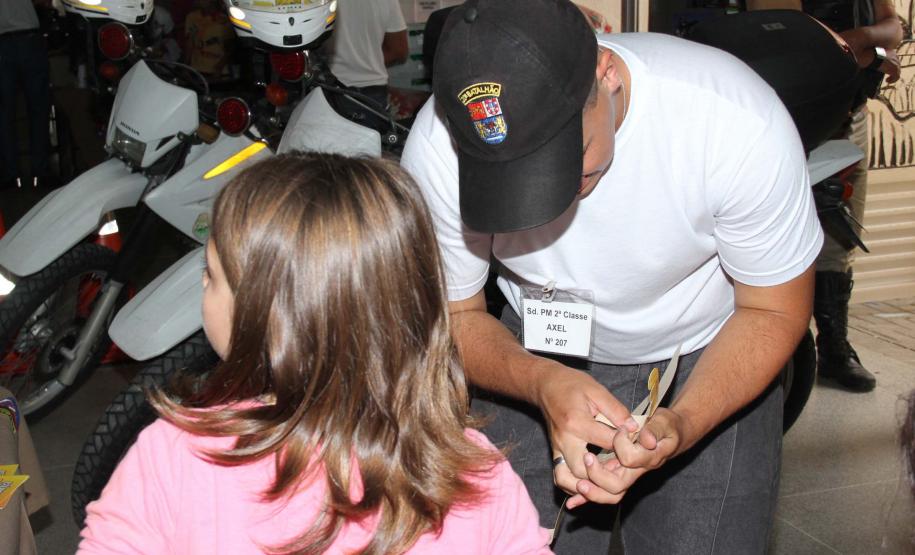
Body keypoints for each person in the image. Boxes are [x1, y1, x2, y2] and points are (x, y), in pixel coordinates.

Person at [401, 0, 822, 552]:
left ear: (608, 74)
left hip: (709, 352)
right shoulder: (438, 148)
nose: (553, 196)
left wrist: (684, 424)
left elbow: (772, 309)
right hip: (529, 353)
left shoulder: (733, 122)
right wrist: (540, 382)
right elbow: (456, 315)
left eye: (567, 160)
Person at [77, 153, 552, 554]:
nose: (203, 285)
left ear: (270, 314)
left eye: (213, 275)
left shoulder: (180, 454)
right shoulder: (470, 471)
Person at [799, 0, 903, 392]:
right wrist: (860, 49)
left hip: (849, 114)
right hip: (794, 114)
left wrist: (860, 39)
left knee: (839, 234)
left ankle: (834, 350)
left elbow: (894, 28)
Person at [325, 0, 408, 131]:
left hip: (331, 88)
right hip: (373, 92)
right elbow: (399, 50)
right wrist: (366, 61)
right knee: (370, 148)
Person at [0, 0, 51, 190]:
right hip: (29, 38)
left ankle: (11, 175)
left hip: (2, 43)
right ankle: (41, 172)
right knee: (38, 108)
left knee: (5, 113)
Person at [184, 0, 235, 81]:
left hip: (217, 71)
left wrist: (219, 66)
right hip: (196, 69)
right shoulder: (192, 17)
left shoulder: (225, 19)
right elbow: (190, 43)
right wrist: (186, 66)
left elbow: (231, 46)